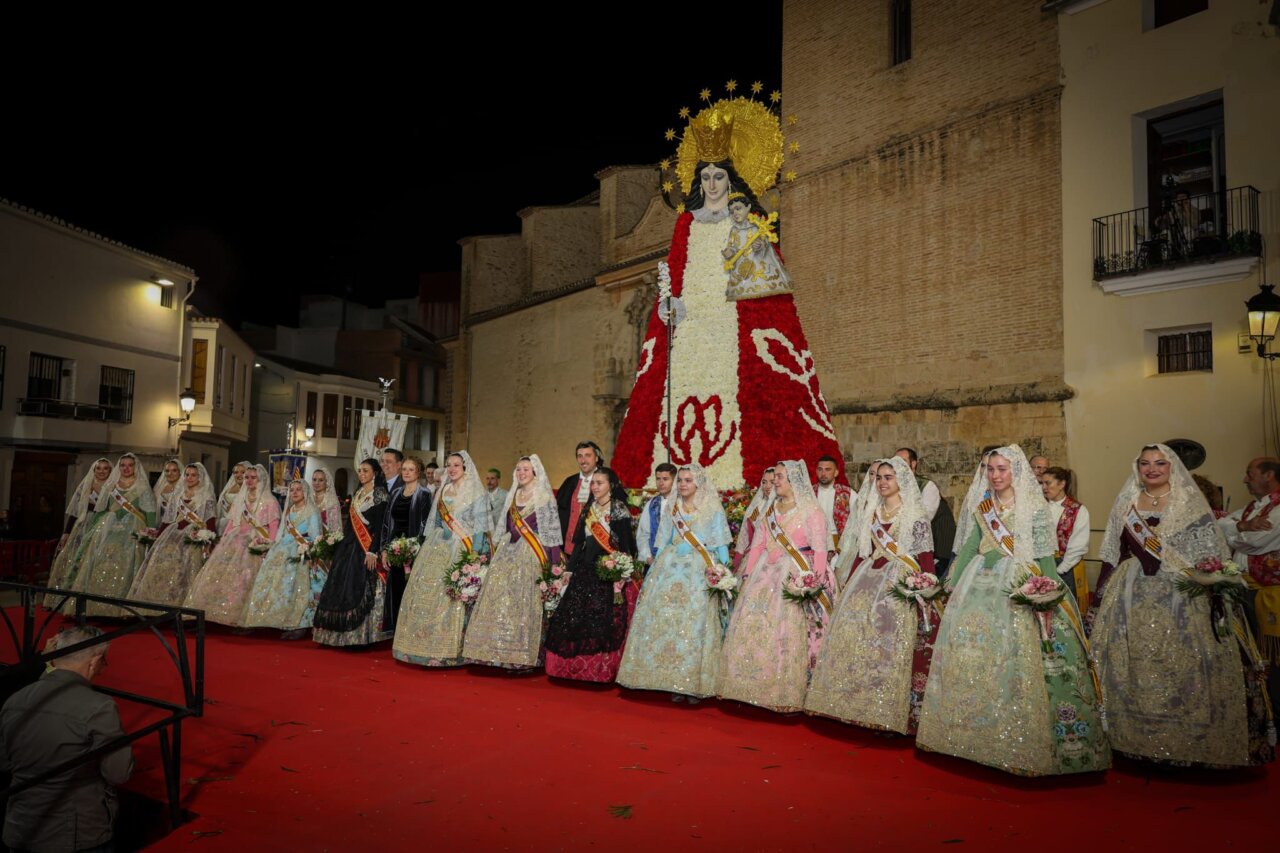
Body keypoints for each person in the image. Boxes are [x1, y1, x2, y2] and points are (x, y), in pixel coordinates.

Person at [609, 98, 844, 490]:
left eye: (719, 176)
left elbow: (766, 285)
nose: (712, 184)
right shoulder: (686, 225)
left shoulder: (751, 221)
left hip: (734, 327)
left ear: (731, 179)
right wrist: (669, 306)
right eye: (706, 177)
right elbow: (677, 277)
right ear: (698, 182)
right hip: (689, 334)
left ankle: (734, 480)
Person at [916, 446, 1109, 776]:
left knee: (1014, 655)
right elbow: (969, 548)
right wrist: (950, 584)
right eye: (991, 469)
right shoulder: (983, 506)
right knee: (973, 653)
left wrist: (1050, 590)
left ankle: (1015, 733)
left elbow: (1044, 554)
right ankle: (968, 731)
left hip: (1017, 581)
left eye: (1002, 469)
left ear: (1015, 471)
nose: (995, 475)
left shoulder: (1034, 506)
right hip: (977, 583)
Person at [1093, 445, 1273, 767]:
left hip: (1180, 594)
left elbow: (1208, 551)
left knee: (1180, 661)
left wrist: (1213, 586)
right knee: (1131, 661)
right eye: (1145, 463)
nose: (1152, 469)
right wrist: (1099, 597)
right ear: (1137, 467)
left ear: (1171, 467)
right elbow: (1113, 553)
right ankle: (1129, 738)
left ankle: (1186, 743)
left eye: (1160, 463)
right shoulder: (1126, 503)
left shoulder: (1188, 502)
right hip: (1130, 594)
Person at [805, 457, 938, 733]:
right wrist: (849, 583)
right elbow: (863, 552)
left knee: (887, 641)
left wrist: (927, 585)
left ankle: (884, 707)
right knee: (856, 635)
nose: (882, 482)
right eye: (879, 478)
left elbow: (925, 554)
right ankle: (853, 701)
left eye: (888, 477)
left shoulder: (914, 514)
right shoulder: (873, 512)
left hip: (900, 580)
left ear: (902, 480)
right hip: (869, 575)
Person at [1, 626, 133, 853]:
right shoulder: (98, 707)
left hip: (20, 826)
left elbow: (4, 762)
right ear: (94, 661)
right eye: (103, 662)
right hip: (76, 832)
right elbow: (118, 773)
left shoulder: (15, 700)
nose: (103, 669)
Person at [717, 460, 833, 712]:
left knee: (786, 628)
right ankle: (748, 685)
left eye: (780, 477)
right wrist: (747, 576)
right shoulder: (770, 510)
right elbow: (758, 545)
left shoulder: (811, 511)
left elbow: (820, 549)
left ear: (794, 481)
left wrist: (814, 581)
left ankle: (782, 689)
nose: (775, 481)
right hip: (764, 573)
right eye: (775, 477)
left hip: (797, 574)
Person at [618, 464, 730, 701]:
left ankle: (693, 683)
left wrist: (722, 569)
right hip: (670, 567)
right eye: (680, 480)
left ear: (698, 483)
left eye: (688, 480)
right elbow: (663, 540)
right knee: (666, 622)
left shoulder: (712, 507)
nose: (683, 484)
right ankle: (668, 680)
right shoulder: (672, 506)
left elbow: (721, 543)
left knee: (694, 625)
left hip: (699, 570)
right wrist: (654, 569)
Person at [392, 451, 493, 666]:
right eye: (449, 465)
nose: (452, 469)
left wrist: (473, 556)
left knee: (452, 596)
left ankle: (451, 649)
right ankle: (418, 645)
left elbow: (480, 528)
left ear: (465, 467)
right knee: (424, 592)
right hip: (439, 546)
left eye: (456, 465)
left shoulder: (476, 491)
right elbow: (437, 521)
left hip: (463, 547)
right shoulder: (443, 489)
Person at [464, 455, 563, 670]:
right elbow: (508, 526)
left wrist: (554, 566)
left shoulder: (544, 497)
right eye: (518, 469)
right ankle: (492, 652)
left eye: (526, 469)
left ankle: (521, 655)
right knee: (497, 595)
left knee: (523, 600)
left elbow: (552, 534)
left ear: (535, 472)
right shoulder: (514, 494)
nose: (521, 473)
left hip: (531, 554)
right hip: (508, 551)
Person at [544, 466, 640, 682]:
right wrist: (570, 569)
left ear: (611, 485)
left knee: (601, 620)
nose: (595, 487)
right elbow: (580, 543)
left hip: (607, 571)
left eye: (600, 483)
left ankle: (598, 671)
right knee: (573, 619)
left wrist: (620, 569)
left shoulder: (618, 509)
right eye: (593, 483)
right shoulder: (589, 508)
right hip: (584, 569)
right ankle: (570, 669)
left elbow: (626, 545)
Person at [184, 463, 280, 626]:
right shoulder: (240, 499)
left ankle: (241, 617)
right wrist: (224, 540)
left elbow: (273, 526)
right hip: (236, 539)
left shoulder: (270, 501)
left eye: (253, 478)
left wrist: (269, 545)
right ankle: (212, 612)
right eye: (247, 477)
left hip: (256, 541)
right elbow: (231, 523)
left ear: (261, 479)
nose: (249, 480)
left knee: (245, 578)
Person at [1219, 457, 1280, 708]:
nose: (1245, 479)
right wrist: (1244, 525)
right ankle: (1260, 709)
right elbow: (1218, 526)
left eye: (1250, 473)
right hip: (1243, 590)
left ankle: (1275, 709)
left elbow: (1256, 543)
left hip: (1270, 594)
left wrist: (1235, 534)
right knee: (1248, 652)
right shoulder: (1251, 508)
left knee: (1273, 656)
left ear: (1269, 475)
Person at [312, 459, 392, 647]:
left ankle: (361, 636)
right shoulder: (358, 493)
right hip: (350, 545)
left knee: (360, 586)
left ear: (375, 473)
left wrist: (373, 551)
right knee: (339, 584)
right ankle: (334, 634)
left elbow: (380, 525)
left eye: (366, 470)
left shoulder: (379, 494)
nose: (361, 474)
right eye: (360, 471)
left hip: (367, 548)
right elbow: (350, 524)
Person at [70, 453, 157, 617]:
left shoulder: (142, 487)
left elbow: (150, 513)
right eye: (123, 465)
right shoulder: (110, 485)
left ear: (135, 467)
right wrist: (91, 531)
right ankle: (97, 606)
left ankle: (124, 609)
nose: (126, 468)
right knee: (102, 562)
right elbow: (101, 510)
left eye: (130, 465)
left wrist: (151, 533)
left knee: (128, 564)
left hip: (133, 531)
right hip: (108, 530)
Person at [242, 477, 324, 637]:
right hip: (283, 549)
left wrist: (309, 552)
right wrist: (271, 546)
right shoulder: (289, 511)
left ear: (305, 492)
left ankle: (297, 624)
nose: (294, 493)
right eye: (292, 490)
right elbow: (283, 533)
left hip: (301, 550)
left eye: (298, 490)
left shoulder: (311, 511)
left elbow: (315, 536)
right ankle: (268, 618)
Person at [128, 462, 217, 607]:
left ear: (200, 477)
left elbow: (210, 521)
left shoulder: (206, 496)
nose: (189, 478)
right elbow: (167, 520)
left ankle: (183, 604)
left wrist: (209, 541)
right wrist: (158, 538)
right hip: (174, 533)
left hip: (193, 537)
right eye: (187, 475)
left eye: (193, 475)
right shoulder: (178, 494)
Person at [44, 457, 111, 608]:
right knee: (74, 558)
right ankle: (63, 600)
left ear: (110, 471)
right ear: (93, 470)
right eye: (98, 468)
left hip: (103, 526)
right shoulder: (86, 485)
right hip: (83, 525)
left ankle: (91, 601)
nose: (101, 471)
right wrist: (66, 532)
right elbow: (74, 511)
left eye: (105, 468)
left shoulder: (113, 487)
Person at [379, 455, 432, 634]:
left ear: (418, 472)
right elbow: (386, 523)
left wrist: (414, 548)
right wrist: (385, 549)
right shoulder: (395, 493)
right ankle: (395, 629)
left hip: (414, 549)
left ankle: (410, 629)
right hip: (395, 548)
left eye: (411, 469)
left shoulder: (424, 494)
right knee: (395, 587)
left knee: (412, 588)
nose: (407, 473)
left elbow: (426, 524)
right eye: (404, 469)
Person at [895, 447, 956, 574]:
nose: (898, 466)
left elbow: (924, 518)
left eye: (902, 461)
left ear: (913, 463)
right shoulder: (894, 486)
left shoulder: (927, 485)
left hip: (937, 549)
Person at [556, 441, 605, 554]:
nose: (583, 460)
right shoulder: (569, 482)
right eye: (580, 456)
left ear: (596, 458)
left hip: (595, 548)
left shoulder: (607, 481)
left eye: (588, 455)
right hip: (568, 548)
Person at [733, 466, 775, 567]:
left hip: (774, 558)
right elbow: (745, 537)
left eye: (772, 482)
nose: (767, 486)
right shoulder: (758, 507)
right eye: (764, 482)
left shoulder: (783, 508)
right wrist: (737, 560)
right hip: (753, 556)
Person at [636, 463, 678, 564]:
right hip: (654, 560)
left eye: (665, 479)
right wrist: (648, 557)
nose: (661, 483)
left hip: (678, 559)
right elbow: (643, 534)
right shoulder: (651, 504)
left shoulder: (682, 503)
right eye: (658, 479)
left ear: (674, 480)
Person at [814, 454, 853, 556]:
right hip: (815, 542)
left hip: (839, 542)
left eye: (828, 470)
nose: (823, 473)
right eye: (820, 469)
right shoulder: (809, 493)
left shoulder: (848, 493)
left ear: (836, 472)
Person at [216, 461, 249, 535]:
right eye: (236, 472)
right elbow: (220, 507)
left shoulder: (250, 490)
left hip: (240, 525)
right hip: (224, 524)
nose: (239, 475)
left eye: (242, 472)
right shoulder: (228, 489)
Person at [311, 467, 344, 533]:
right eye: (314, 480)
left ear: (327, 482)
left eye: (321, 480)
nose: (317, 483)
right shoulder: (308, 498)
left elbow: (334, 528)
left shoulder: (332, 501)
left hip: (325, 537)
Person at [152, 458, 183, 522]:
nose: (170, 473)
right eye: (167, 471)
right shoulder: (160, 488)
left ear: (180, 472)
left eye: (174, 470)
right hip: (160, 523)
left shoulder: (184, 489)